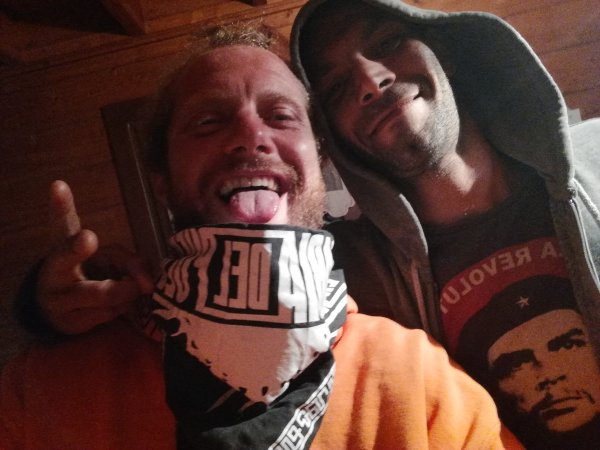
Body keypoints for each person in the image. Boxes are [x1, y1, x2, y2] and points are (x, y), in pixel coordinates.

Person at [0, 24, 519, 449]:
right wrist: (36, 310)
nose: (252, 137)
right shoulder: (44, 393)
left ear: (320, 163)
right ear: (161, 178)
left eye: (281, 116)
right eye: (209, 122)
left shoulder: (420, 383)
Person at [290, 0, 600, 448]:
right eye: (337, 87)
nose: (371, 82)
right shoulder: (352, 277)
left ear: (443, 51)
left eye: (387, 42)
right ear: (333, 134)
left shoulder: (596, 156)